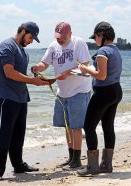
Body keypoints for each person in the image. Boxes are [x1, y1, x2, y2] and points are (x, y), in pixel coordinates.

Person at [0, 22, 49, 181]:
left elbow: (20, 74)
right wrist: (32, 81)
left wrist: (35, 75)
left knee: (18, 135)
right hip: (6, 97)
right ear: (23, 31)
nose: (30, 41)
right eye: (30, 37)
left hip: (21, 97)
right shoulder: (7, 46)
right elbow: (9, 73)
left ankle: (18, 164)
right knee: (2, 134)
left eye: (33, 39)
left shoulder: (23, 51)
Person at [31, 21, 92, 170]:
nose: (60, 39)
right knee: (67, 126)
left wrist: (68, 73)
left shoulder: (79, 43)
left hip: (79, 90)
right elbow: (44, 63)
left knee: (76, 126)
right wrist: (37, 67)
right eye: (58, 37)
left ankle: (77, 160)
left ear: (70, 34)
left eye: (63, 37)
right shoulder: (54, 45)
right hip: (62, 92)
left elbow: (85, 66)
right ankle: (71, 157)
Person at [77, 21, 123, 176]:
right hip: (116, 90)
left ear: (102, 36)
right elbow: (107, 73)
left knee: (88, 126)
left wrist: (85, 69)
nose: (94, 40)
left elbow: (101, 76)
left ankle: (92, 166)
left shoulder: (103, 51)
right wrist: (91, 70)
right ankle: (106, 165)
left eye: (95, 37)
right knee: (108, 126)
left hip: (104, 92)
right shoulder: (115, 50)